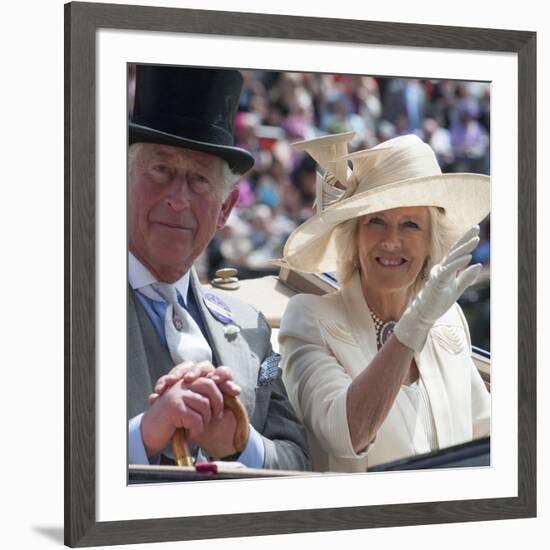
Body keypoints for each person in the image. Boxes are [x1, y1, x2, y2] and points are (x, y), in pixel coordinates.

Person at [127, 64, 310, 471]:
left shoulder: (250, 329)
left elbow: (298, 463)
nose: (177, 198)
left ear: (226, 208)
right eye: (160, 170)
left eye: (198, 180)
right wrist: (141, 436)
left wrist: (240, 443)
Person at [277, 132, 490, 472]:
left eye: (410, 225)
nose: (392, 240)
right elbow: (345, 435)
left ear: (429, 243)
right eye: (376, 221)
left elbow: (488, 438)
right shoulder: (310, 317)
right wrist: (413, 326)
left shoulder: (448, 320)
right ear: (355, 235)